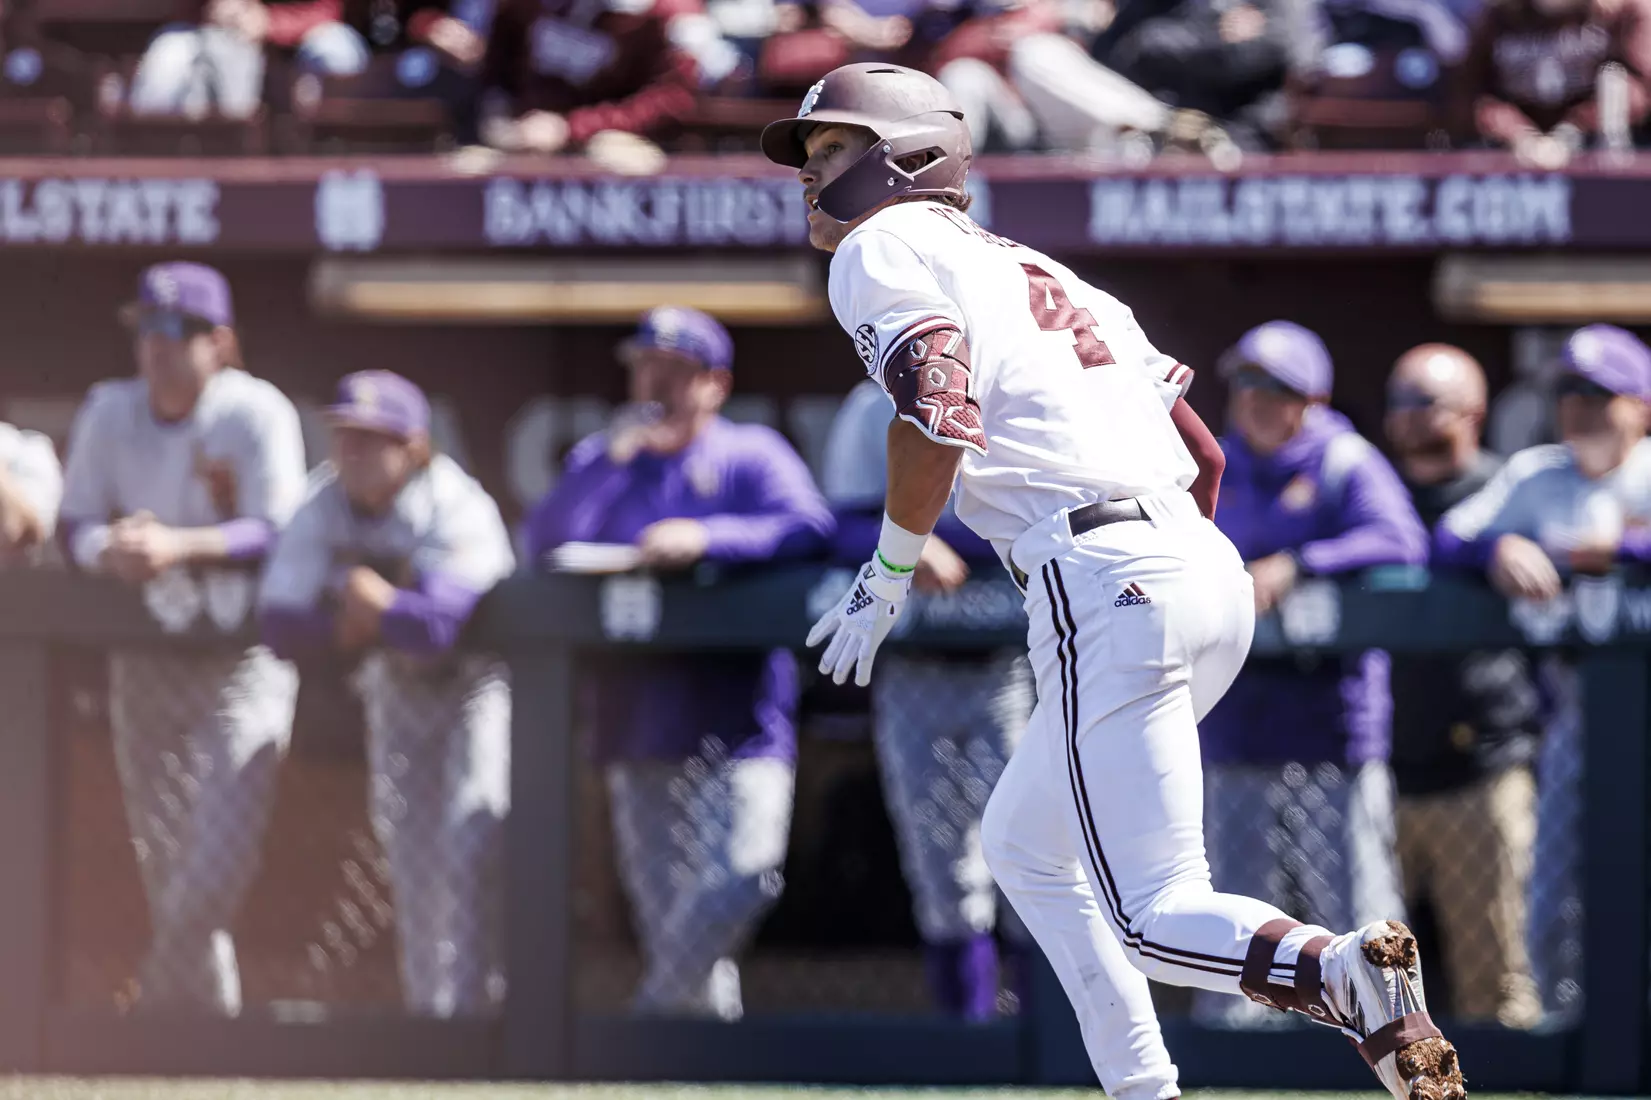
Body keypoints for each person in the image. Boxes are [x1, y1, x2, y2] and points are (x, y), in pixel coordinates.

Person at [763, 63, 1462, 1100]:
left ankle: (1337, 969)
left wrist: (888, 567)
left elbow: (938, 409)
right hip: (1194, 562)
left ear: (904, 157)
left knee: (1152, 913)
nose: (809, 180)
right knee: (1020, 842)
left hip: (1098, 568)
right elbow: (1204, 448)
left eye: (829, 153)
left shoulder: (879, 242)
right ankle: (1143, 1087)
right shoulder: (1044, 266)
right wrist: (1169, 570)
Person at [523, 306, 833, 1021]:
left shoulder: (748, 453)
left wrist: (707, 534)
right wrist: (611, 462)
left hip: (738, 717)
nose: (652, 385)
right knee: (675, 928)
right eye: (642, 368)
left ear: (713, 384)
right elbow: (543, 542)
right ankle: (696, 1064)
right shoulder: (602, 461)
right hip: (635, 720)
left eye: (672, 371)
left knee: (743, 883)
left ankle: (645, 1022)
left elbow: (807, 527)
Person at [58, 261, 307, 1016]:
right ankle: (207, 1034)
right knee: (167, 863)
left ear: (219, 342)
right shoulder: (110, 409)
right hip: (146, 658)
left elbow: (277, 528)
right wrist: (115, 549)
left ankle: (160, 1004)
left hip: (241, 658)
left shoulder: (255, 412)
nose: (157, 347)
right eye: (146, 330)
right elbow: (72, 525)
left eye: (175, 331)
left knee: (216, 857)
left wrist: (179, 545)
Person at [257, 370, 513, 1018]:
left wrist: (379, 605)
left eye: (374, 439)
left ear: (415, 447)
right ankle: (434, 1021)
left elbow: (438, 629)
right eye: (346, 436)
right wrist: (344, 625)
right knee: (410, 854)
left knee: (472, 836)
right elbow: (278, 622)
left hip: (473, 683)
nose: (355, 452)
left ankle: (485, 1015)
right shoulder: (322, 502)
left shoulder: (457, 504)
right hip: (396, 685)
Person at [1196, 321, 1425, 1025]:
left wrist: (1300, 563)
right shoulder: (1211, 461)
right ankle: (1236, 1064)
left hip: (1331, 727)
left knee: (1355, 912)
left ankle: (1393, 1041)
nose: (1254, 398)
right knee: (1236, 917)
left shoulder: (1343, 460)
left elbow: (1401, 541)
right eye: (1244, 382)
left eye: (1275, 386)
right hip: (1235, 726)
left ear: (1312, 399)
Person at [1434, 324, 1651, 1023]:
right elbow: (1447, 536)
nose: (1579, 407)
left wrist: (1622, 547)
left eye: (1598, 393)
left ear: (1639, 405)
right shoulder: (1537, 473)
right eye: (1568, 392)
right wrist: (1500, 545)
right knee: (1556, 889)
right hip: (1576, 716)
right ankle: (1565, 1030)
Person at [820, 378, 1033, 1019]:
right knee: (942, 867)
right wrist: (908, 538)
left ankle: (1044, 1036)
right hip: (915, 667)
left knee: (1033, 854)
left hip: (1014, 667)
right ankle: (970, 1041)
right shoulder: (871, 404)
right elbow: (837, 522)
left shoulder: (1014, 388)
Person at [1383, 343, 1543, 1028]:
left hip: (1482, 765)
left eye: (1425, 401)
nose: (1408, 417)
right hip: (1377, 769)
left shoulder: (1505, 490)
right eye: (1397, 402)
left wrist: (1500, 543)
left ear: (1473, 410)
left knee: (1494, 982)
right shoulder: (1375, 491)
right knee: (1367, 980)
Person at [479, 0, 698, 158]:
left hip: (611, 139)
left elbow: (672, 99)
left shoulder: (669, 14)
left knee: (612, 156)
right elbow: (500, 67)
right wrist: (502, 115)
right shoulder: (526, 8)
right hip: (524, 135)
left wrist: (571, 128)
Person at [1452, 0, 1651, 168]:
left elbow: (1641, 89)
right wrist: (1518, 133)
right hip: (1516, 151)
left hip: (1602, 149)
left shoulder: (1622, 14)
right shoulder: (1496, 18)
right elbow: (1469, 95)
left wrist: (1575, 128)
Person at [129, 1, 373, 120]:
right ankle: (147, 167)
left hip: (298, 34)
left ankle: (339, 158)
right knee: (168, 55)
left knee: (340, 52)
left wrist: (271, 23)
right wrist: (215, 9)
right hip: (217, 31)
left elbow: (327, 9)